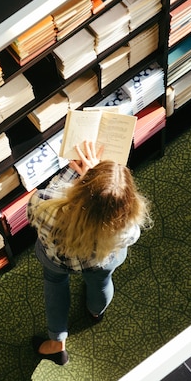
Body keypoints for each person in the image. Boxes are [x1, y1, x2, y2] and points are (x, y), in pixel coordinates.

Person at [27, 140, 152, 366]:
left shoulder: (45, 205)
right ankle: (95, 312)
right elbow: (132, 235)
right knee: (102, 283)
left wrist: (83, 177)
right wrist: (95, 184)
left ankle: (57, 343)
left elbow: (42, 201)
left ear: (82, 187)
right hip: (102, 261)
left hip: (57, 260)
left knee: (54, 284)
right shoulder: (125, 224)